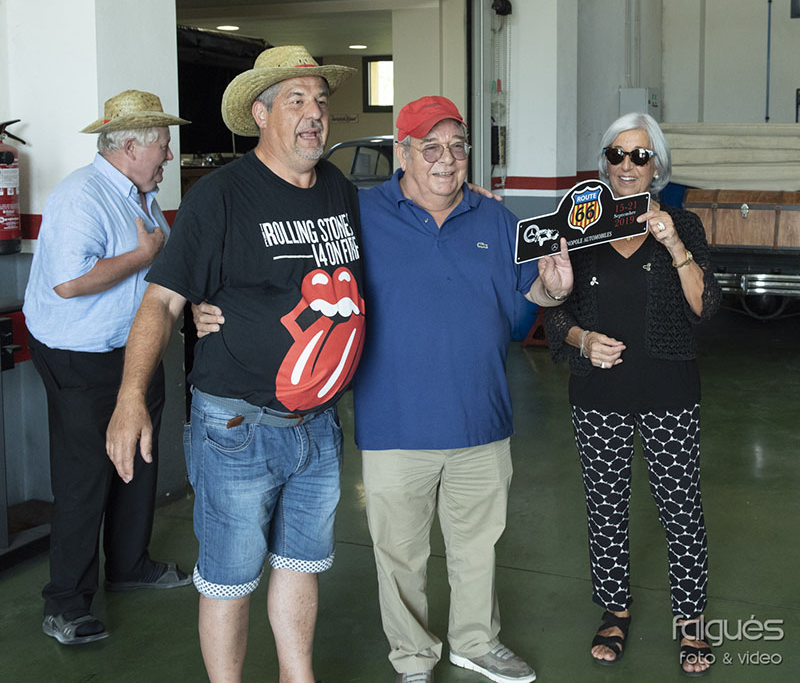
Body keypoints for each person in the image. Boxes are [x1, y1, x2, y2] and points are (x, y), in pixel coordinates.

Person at [196, 95, 574, 683]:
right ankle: (414, 657)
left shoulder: (496, 219)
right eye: (431, 147)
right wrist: (209, 303)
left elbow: (534, 290)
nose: (445, 159)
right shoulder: (358, 214)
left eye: (456, 146)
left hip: (482, 418)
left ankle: (476, 642)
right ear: (403, 152)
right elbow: (286, 268)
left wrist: (555, 289)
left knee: (478, 546)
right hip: (395, 421)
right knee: (400, 555)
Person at [105, 46, 362, 683]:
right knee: (229, 578)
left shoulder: (338, 188)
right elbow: (162, 300)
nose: (314, 114)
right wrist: (131, 397)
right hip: (237, 430)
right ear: (261, 114)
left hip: (318, 425)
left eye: (320, 101)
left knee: (301, 565)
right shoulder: (220, 196)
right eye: (296, 100)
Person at [543, 112, 721, 676]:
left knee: (681, 507)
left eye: (640, 155)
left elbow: (705, 307)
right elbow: (554, 314)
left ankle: (690, 619)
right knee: (605, 506)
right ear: (605, 163)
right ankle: (615, 610)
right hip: (599, 392)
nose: (627, 165)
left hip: (669, 390)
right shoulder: (581, 228)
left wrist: (674, 245)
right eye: (616, 154)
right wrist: (582, 339)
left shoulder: (684, 224)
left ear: (656, 166)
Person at [23, 89, 192, 646]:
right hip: (80, 355)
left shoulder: (140, 194)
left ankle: (129, 565)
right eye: (162, 144)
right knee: (86, 475)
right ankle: (66, 604)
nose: (169, 155)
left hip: (133, 351)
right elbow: (68, 283)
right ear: (129, 147)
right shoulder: (81, 195)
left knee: (139, 456)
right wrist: (143, 256)